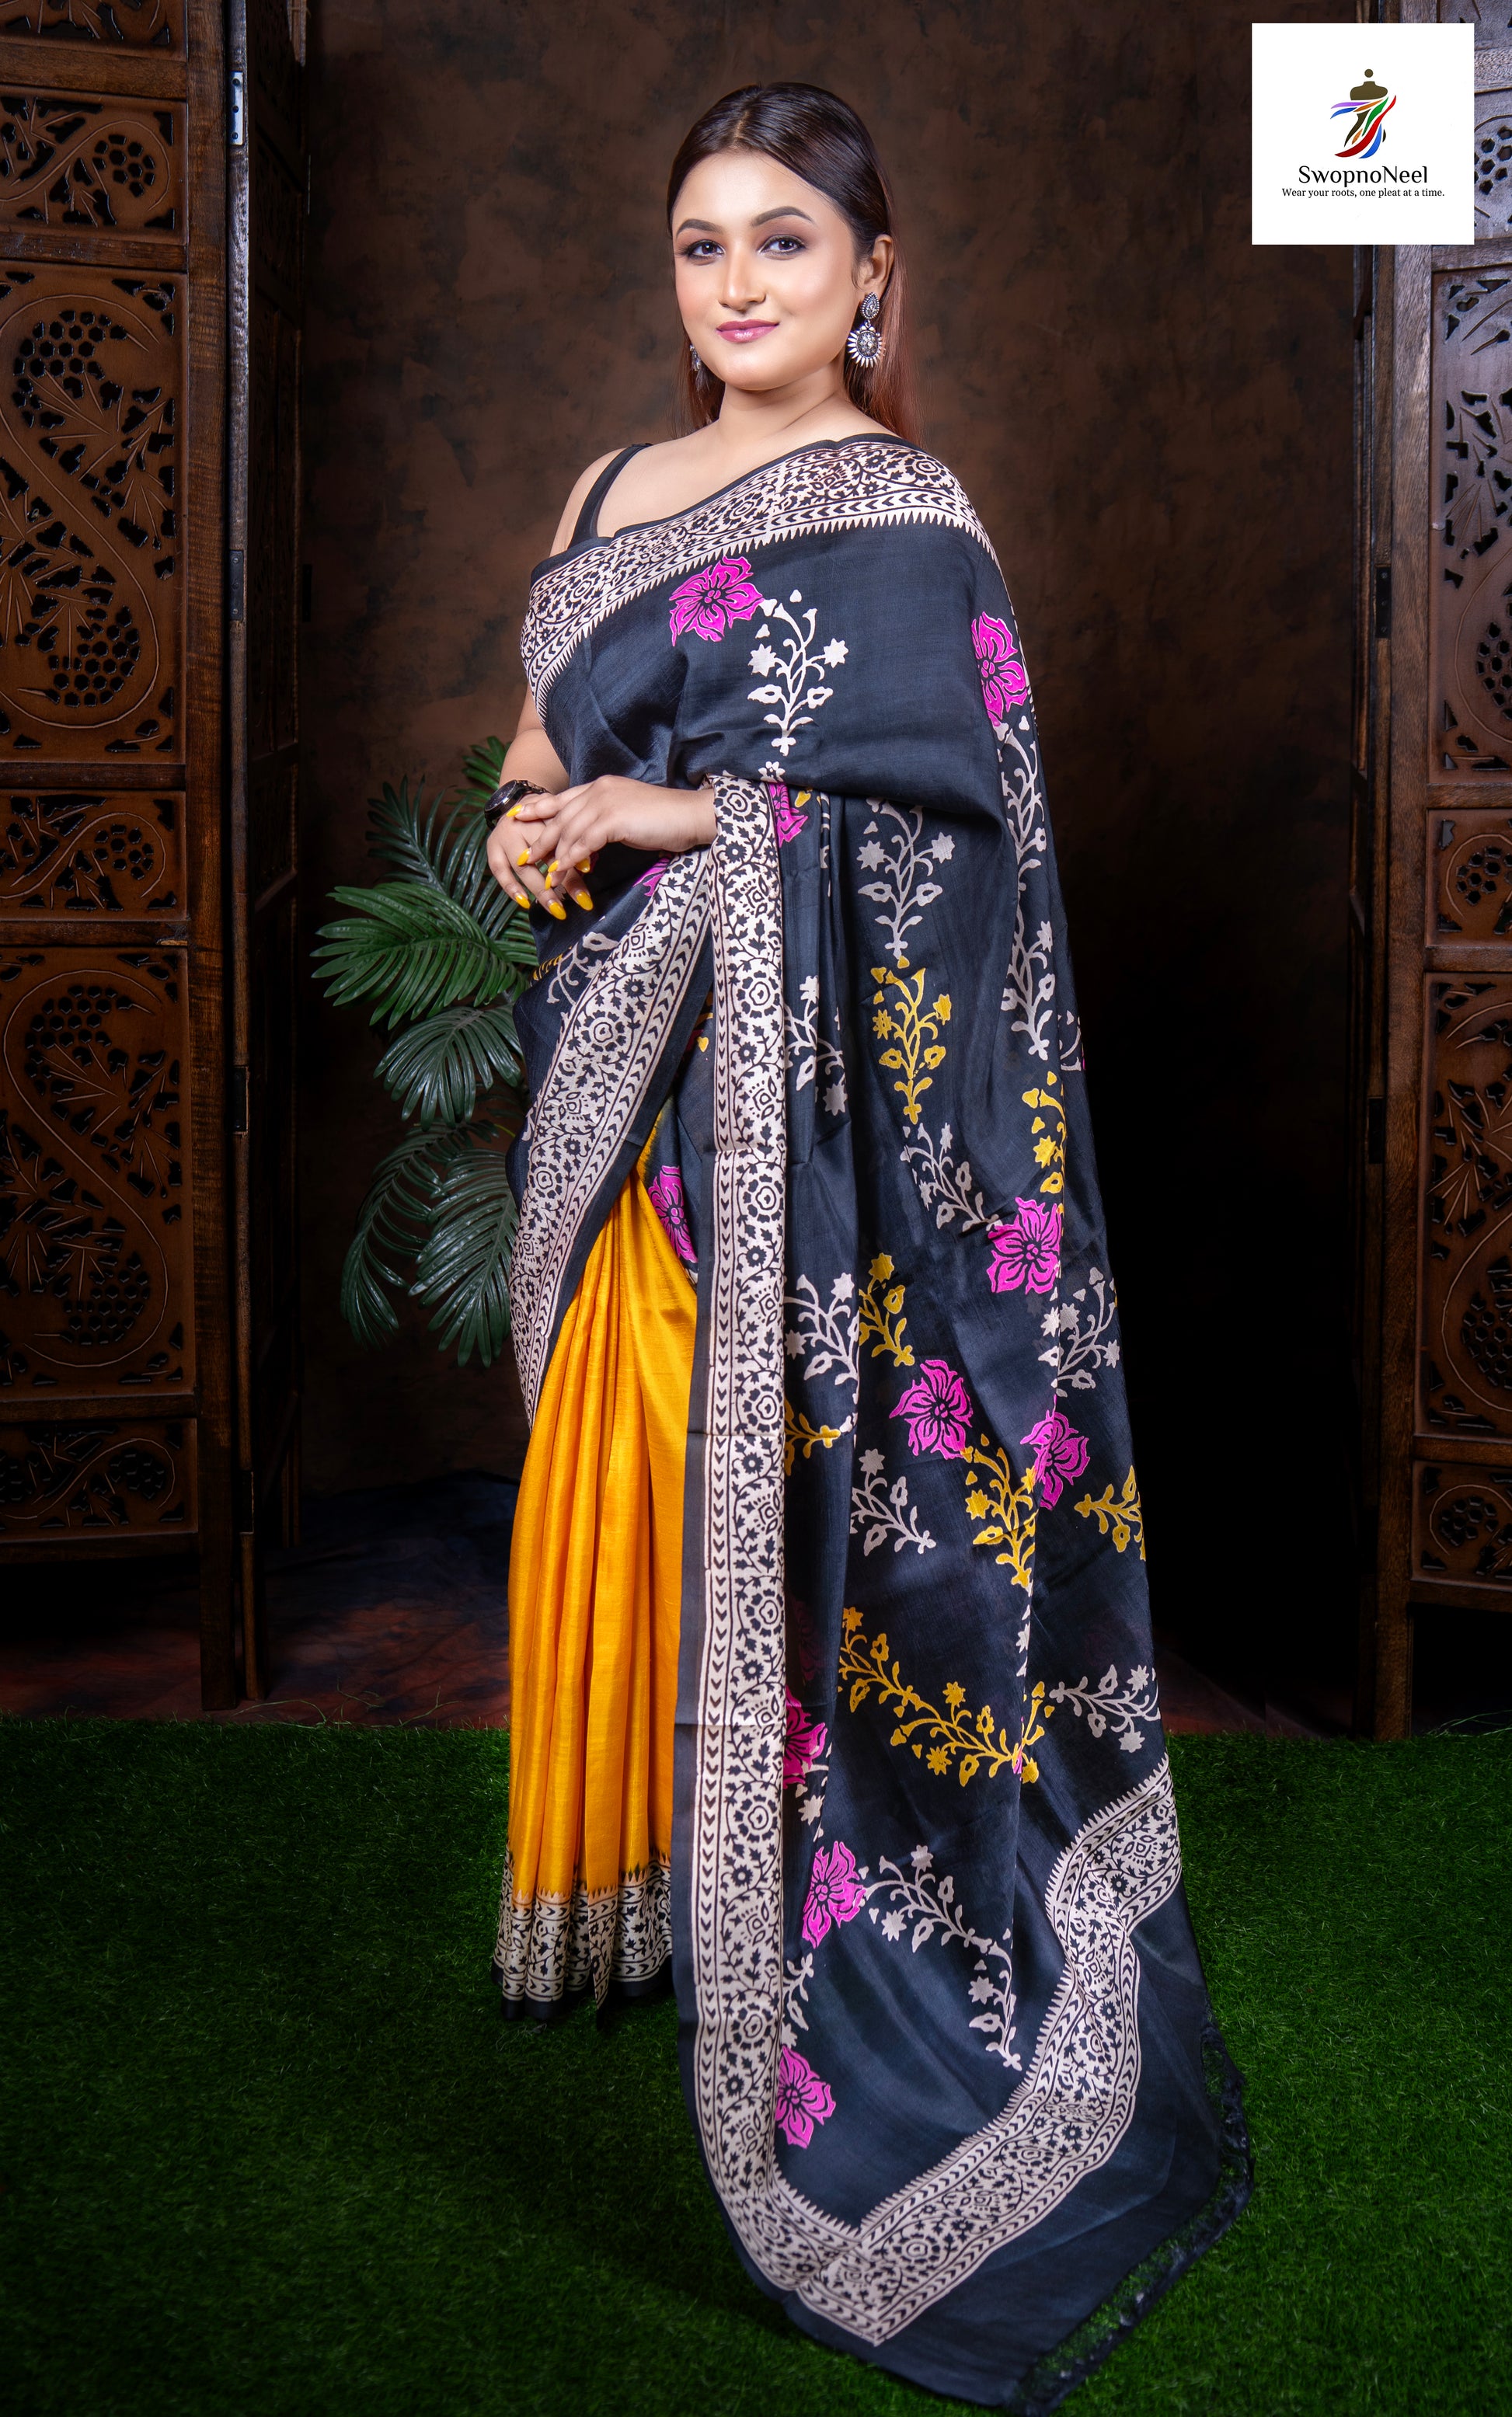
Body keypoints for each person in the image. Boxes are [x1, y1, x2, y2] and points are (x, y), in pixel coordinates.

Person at [484, 80, 1249, 2409]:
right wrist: (532, 817)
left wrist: (677, 813)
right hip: (634, 1096)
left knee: (818, 1541)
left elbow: (959, 847)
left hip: (819, 1138)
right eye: (701, 244)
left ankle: (847, 1946)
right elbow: (527, 748)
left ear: (871, 276)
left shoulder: (911, 521)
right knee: (636, 1513)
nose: (737, 284)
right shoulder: (602, 493)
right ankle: (628, 1895)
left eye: (783, 242)